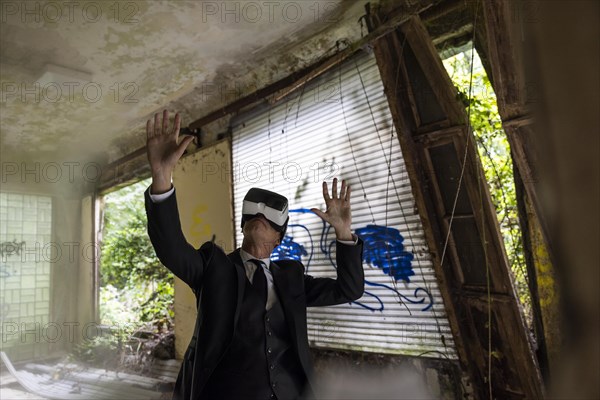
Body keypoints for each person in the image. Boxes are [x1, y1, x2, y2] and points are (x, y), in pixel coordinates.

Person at [144, 110, 364, 400]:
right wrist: (161, 177)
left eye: (272, 217)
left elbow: (349, 289)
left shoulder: (292, 276)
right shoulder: (214, 267)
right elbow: (171, 247)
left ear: (278, 239)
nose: (260, 214)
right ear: (244, 226)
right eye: (253, 211)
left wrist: (344, 233)